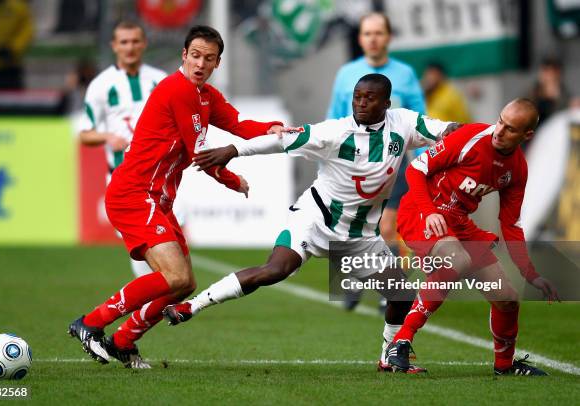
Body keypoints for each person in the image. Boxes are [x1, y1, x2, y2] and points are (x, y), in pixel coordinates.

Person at [164, 73, 459, 373]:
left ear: (386, 102)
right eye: (357, 96)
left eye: (369, 98)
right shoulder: (334, 132)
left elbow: (447, 131)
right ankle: (192, 306)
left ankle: (388, 356)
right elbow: (283, 141)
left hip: (359, 237)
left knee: (402, 295)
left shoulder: (403, 123)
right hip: (315, 219)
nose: (361, 102)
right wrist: (234, 151)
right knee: (275, 270)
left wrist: (489, 135)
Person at [68, 25, 284, 369]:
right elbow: (199, 151)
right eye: (195, 55)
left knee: (184, 284)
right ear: (184, 55)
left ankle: (124, 340)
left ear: (217, 63)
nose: (200, 63)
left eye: (208, 58)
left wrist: (271, 127)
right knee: (174, 277)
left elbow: (238, 122)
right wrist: (231, 179)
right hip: (134, 193)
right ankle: (92, 322)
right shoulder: (178, 90)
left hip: (157, 199)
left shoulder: (206, 95)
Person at [385, 99, 559, 375]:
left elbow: (511, 223)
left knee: (507, 298)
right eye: (500, 121)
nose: (499, 131)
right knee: (457, 259)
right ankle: (401, 341)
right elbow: (416, 170)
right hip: (421, 210)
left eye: (510, 128)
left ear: (527, 135)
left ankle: (504, 366)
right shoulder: (471, 136)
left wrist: (530, 273)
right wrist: (430, 212)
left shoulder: (517, 169)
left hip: (458, 224)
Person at [327, 12, 426, 310]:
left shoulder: (406, 74)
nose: (373, 38)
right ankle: (356, 279)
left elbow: (421, 121)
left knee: (387, 226)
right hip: (352, 165)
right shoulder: (346, 74)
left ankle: (390, 292)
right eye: (367, 33)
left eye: (378, 33)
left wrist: (425, 164)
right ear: (360, 39)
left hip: (392, 166)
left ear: (388, 37)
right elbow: (333, 117)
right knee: (353, 228)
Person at [78, 21, 167, 282]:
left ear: (144, 44)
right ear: (114, 46)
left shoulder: (160, 80)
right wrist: (107, 136)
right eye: (124, 42)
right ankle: (157, 294)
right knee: (143, 244)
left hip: (162, 176)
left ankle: (162, 293)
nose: (130, 47)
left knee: (168, 238)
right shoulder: (101, 85)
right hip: (124, 179)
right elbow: (85, 133)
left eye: (135, 41)